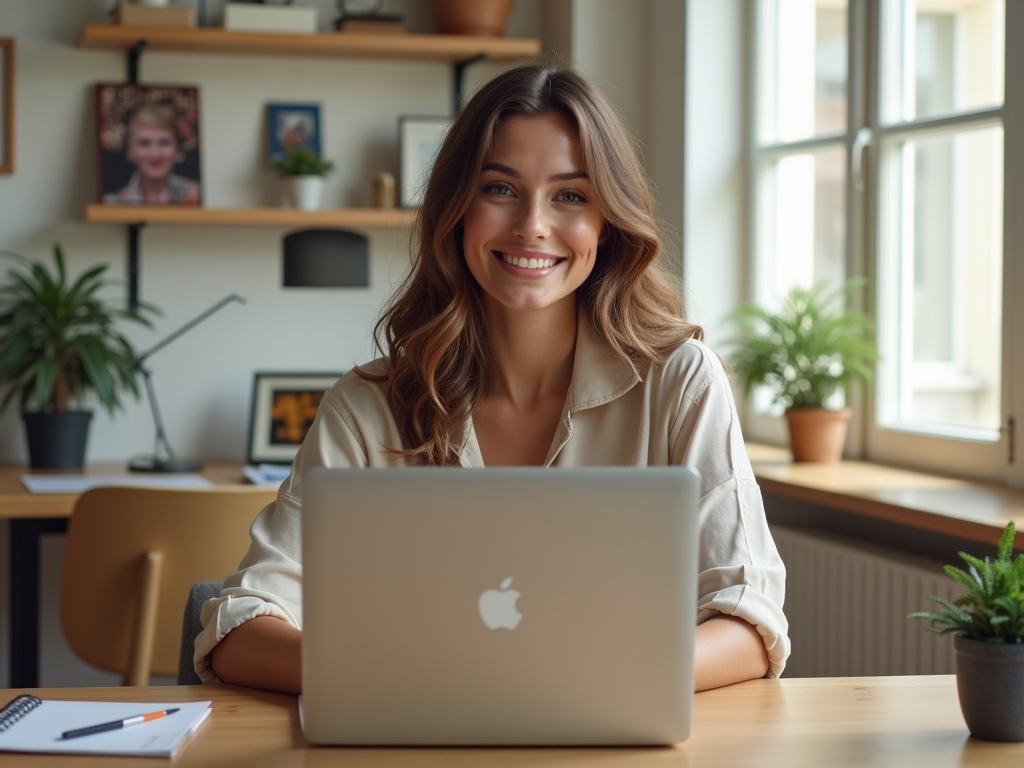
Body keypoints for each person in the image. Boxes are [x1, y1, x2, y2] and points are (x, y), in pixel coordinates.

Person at [196, 64, 789, 694]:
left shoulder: (680, 384)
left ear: (607, 222)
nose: (532, 224)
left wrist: (578, 683)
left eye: (570, 195)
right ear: (455, 209)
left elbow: (749, 619)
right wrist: (413, 683)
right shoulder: (366, 410)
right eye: (500, 189)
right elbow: (239, 625)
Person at [104, 104, 201, 204]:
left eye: (164, 142)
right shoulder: (111, 204)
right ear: (130, 150)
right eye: (144, 143)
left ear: (177, 148)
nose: (155, 154)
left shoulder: (201, 197)